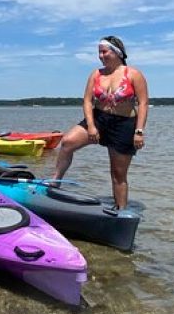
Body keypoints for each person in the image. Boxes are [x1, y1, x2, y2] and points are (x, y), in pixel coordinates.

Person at [52, 35, 148, 210]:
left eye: (104, 52)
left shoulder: (134, 74)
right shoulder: (96, 74)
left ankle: (121, 211)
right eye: (99, 53)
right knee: (67, 142)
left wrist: (139, 131)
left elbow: (143, 103)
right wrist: (90, 125)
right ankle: (55, 182)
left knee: (118, 173)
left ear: (117, 53)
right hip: (99, 118)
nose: (101, 56)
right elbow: (87, 101)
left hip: (124, 124)